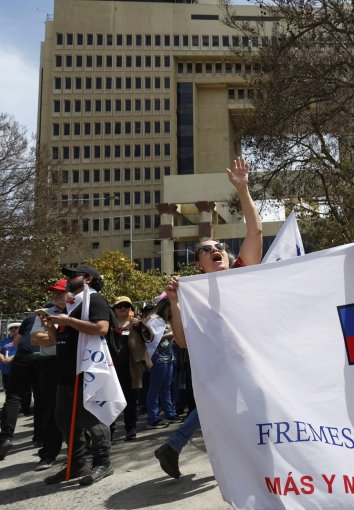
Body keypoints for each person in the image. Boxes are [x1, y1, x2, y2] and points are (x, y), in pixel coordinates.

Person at [154, 156, 262, 479]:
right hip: (220, 365)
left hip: (251, 357)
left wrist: (242, 189)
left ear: (228, 257)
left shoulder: (242, 273)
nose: (216, 249)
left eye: (219, 246)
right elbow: (184, 342)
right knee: (224, 406)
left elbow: (255, 231)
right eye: (206, 249)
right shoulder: (193, 296)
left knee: (228, 407)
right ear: (200, 264)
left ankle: (175, 445)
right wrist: (174, 303)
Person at [40, 265, 115, 485]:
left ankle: (103, 462)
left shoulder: (95, 301)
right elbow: (56, 341)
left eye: (73, 276)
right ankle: (76, 464)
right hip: (65, 373)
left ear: (88, 279)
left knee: (90, 417)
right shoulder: (74, 307)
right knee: (64, 420)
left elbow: (101, 328)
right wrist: (52, 326)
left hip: (85, 372)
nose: (68, 279)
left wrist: (67, 321)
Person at [29, 279, 71, 471]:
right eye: (53, 292)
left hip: (73, 363)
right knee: (50, 409)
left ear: (69, 293)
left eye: (59, 292)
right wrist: (61, 338)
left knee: (76, 408)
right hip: (50, 364)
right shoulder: (46, 314)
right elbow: (35, 339)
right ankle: (48, 454)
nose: (55, 295)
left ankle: (78, 450)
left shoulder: (78, 311)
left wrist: (54, 337)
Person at [0, 312, 40, 461]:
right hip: (43, 358)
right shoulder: (61, 314)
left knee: (13, 398)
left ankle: (5, 437)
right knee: (42, 398)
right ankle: (40, 436)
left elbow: (17, 343)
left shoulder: (30, 318)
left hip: (23, 358)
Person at [110, 296, 150, 441]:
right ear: (114, 309)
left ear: (131, 309)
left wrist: (140, 325)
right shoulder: (108, 325)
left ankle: (131, 429)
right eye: (120, 306)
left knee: (131, 399)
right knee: (111, 400)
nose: (123, 308)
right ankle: (110, 430)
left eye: (126, 306)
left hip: (131, 367)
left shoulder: (137, 324)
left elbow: (149, 337)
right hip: (112, 369)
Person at [0, 324, 20, 398]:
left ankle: (23, 408)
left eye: (16, 327)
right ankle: (9, 407)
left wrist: (13, 358)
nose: (13, 329)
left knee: (21, 390)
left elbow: (26, 351)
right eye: (11, 328)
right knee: (8, 390)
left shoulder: (24, 340)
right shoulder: (5, 341)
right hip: (6, 370)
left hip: (19, 369)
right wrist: (3, 358)